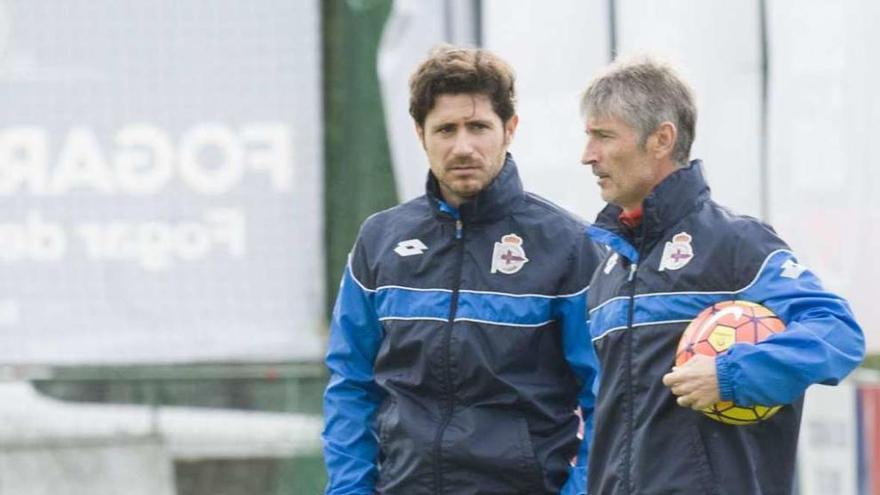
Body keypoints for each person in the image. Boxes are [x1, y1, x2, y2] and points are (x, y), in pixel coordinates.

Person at [322, 45, 604, 495]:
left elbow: (605, 397)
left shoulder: (570, 246)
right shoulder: (380, 241)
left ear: (509, 129)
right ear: (420, 134)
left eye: (478, 127)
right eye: (445, 129)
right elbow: (351, 385)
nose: (463, 146)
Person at [578, 54, 865, 494]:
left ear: (661, 139)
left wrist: (733, 375)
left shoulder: (737, 245)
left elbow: (839, 333)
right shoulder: (610, 267)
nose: (588, 156)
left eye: (602, 136)